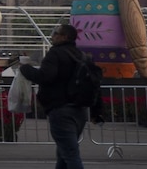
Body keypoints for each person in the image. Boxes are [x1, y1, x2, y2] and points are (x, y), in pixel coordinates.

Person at [20, 23, 103, 169]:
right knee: (64, 154)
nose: (52, 36)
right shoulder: (82, 56)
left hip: (61, 111)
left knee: (70, 155)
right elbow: (94, 84)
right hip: (80, 111)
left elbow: (45, 76)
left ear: (65, 37)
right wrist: (97, 112)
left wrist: (25, 69)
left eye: (55, 33)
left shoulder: (55, 54)